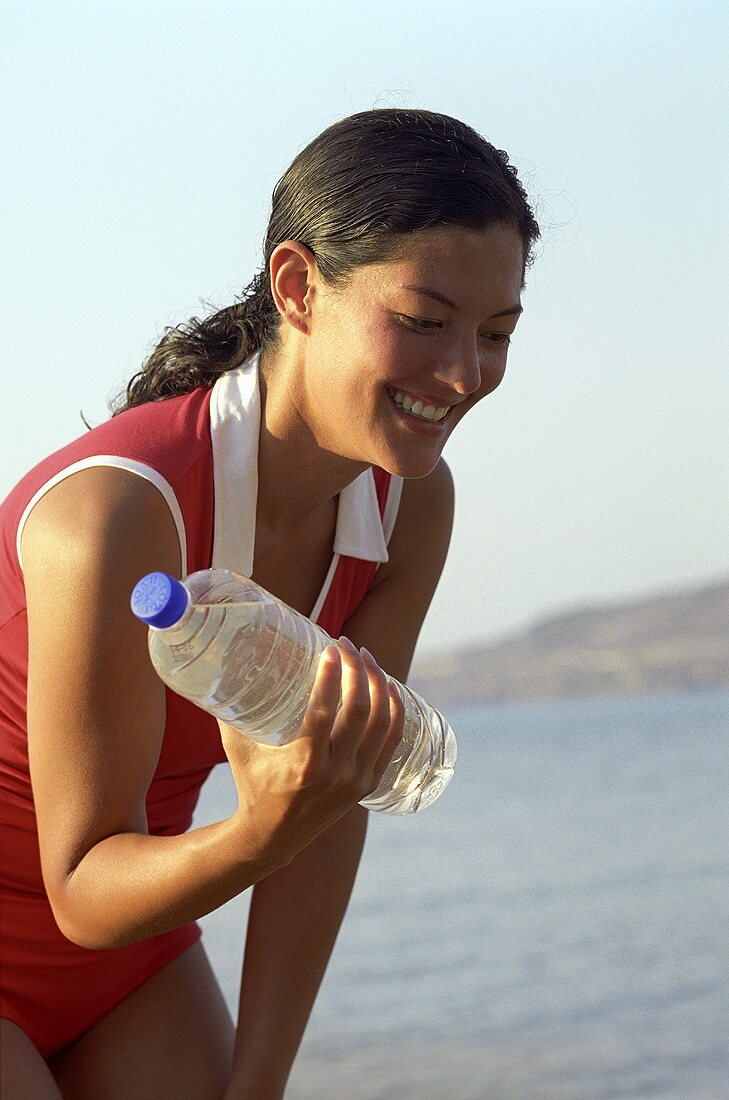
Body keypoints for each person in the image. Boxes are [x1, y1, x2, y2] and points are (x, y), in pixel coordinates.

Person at [0, 107, 540, 1098]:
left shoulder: (409, 507)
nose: (464, 373)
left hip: (132, 955)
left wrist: (259, 1083)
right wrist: (260, 828)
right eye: (424, 321)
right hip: (93, 905)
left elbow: (331, 803)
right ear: (298, 286)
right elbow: (81, 882)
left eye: (496, 332)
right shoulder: (118, 515)